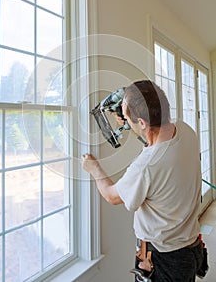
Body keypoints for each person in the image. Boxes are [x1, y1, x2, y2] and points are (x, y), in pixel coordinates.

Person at [81, 80, 204, 282]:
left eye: (128, 118)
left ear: (143, 122)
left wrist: (93, 168)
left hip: (162, 259)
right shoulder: (186, 130)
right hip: (189, 248)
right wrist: (136, 121)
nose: (126, 122)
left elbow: (112, 196)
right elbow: (158, 142)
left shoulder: (146, 166)